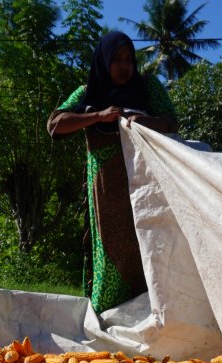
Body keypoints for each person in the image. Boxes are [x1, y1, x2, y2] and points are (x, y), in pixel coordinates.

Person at [48, 31, 178, 313]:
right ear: (103, 60)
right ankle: (109, 318)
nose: (124, 66)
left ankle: (152, 318)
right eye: (116, 59)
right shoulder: (88, 93)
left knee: (151, 250)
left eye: (129, 59)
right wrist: (97, 116)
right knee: (112, 255)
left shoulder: (147, 87)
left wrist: (146, 121)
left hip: (146, 186)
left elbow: (172, 122)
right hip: (106, 189)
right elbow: (56, 125)